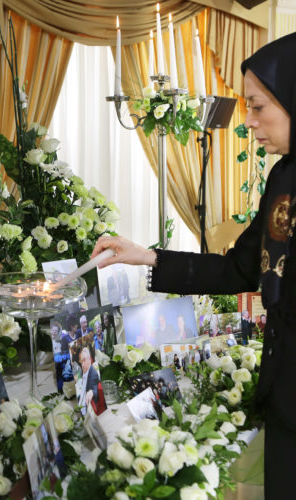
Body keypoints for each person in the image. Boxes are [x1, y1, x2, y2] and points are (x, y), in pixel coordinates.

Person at [91, 31, 296, 499]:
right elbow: (238, 269)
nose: (247, 121)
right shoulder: (283, 176)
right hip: (283, 391)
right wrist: (145, 256)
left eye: (259, 106)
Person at [78, 347, 99, 416]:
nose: (82, 365)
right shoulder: (84, 372)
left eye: (84, 360)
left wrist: (92, 392)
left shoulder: (93, 373)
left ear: (89, 359)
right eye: (81, 361)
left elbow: (96, 388)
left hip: (86, 413)